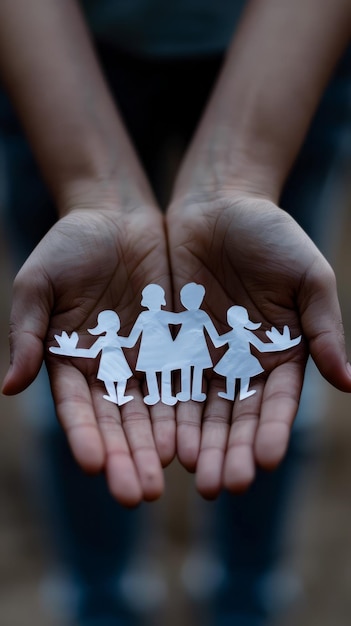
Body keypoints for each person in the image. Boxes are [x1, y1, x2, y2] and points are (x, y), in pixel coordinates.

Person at [0, 1, 350, 625]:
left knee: (276, 366)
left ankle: (247, 584)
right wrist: (92, 186)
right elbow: (123, 337)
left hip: (297, 53)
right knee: (69, 365)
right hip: (45, 57)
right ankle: (100, 588)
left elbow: (214, 330)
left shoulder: (198, 322)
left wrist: (239, 176)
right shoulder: (137, 326)